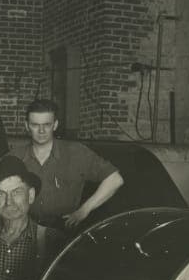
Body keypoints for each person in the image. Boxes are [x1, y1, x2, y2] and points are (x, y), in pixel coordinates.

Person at [11, 99, 124, 231]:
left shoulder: (76, 152)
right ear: (27, 126)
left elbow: (115, 180)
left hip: (65, 231)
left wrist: (84, 211)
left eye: (47, 124)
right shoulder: (15, 157)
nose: (41, 130)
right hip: (26, 231)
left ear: (55, 125)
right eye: (35, 125)